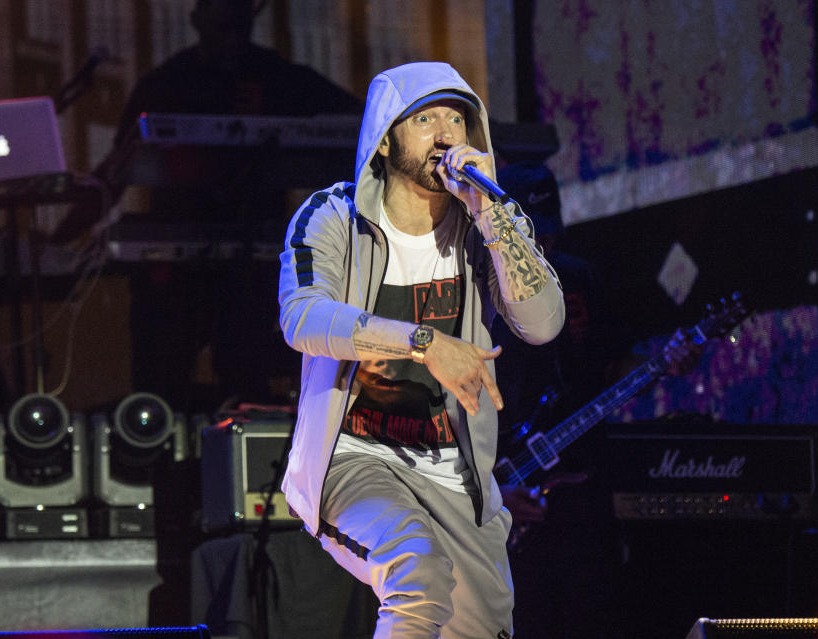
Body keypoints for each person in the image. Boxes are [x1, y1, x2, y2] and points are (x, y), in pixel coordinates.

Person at [278, 61, 566, 638]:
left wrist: (491, 213)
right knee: (417, 571)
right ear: (385, 138)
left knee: (483, 627)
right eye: (426, 118)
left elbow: (543, 324)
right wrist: (424, 342)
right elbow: (302, 317)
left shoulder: (485, 220)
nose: (445, 133)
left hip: (455, 471)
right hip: (354, 457)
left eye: (457, 118)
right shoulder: (332, 216)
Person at [52, 0, 363, 414]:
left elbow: (365, 124)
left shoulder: (279, 78)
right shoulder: (166, 84)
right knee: (162, 383)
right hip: (173, 270)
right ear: (197, 19)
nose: (228, 32)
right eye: (220, 20)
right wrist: (57, 242)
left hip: (256, 265)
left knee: (249, 377)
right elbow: (112, 177)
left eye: (236, 22)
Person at [491, 161, 700, 638]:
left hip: (578, 484)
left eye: (548, 234)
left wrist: (665, 362)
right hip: (501, 489)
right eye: (530, 234)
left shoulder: (578, 278)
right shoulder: (476, 290)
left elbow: (612, 367)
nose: (543, 246)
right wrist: (489, 493)